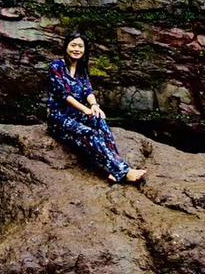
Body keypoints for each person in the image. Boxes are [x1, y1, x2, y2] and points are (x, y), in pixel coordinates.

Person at [45, 33, 147, 184]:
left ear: (85, 49)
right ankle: (125, 172)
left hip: (76, 115)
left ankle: (116, 170)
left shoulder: (81, 69)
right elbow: (64, 95)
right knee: (89, 132)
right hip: (58, 117)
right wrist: (85, 110)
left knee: (99, 120)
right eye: (73, 45)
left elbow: (88, 91)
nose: (76, 49)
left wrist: (94, 106)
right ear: (66, 46)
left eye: (80, 46)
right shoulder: (56, 67)